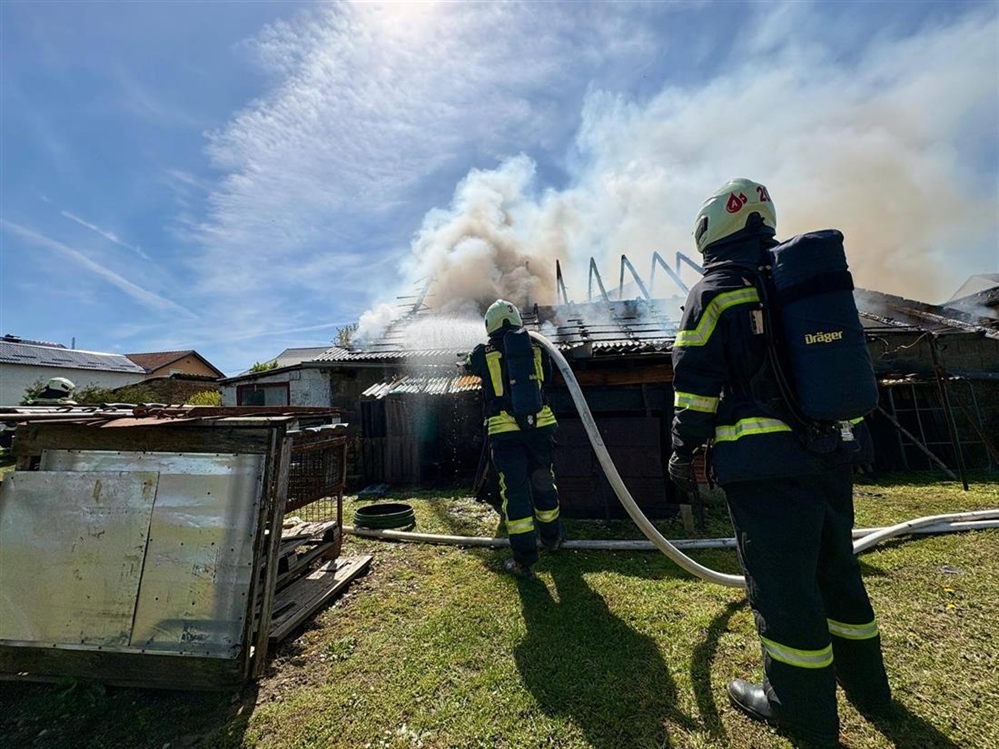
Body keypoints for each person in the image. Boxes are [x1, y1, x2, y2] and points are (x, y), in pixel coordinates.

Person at [668, 179, 891, 745]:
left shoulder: (716, 290)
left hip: (765, 468)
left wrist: (683, 448)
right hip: (829, 454)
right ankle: (869, 689)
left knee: (783, 589)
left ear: (710, 229)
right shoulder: (799, 282)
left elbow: (695, 386)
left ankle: (801, 710)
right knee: (837, 571)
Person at [464, 299, 565, 579]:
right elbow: (549, 379)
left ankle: (524, 561)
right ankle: (552, 538)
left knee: (515, 493)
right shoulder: (537, 348)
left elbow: (468, 367)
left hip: (506, 434)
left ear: (489, 324)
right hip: (540, 429)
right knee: (544, 483)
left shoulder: (482, 353)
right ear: (518, 320)